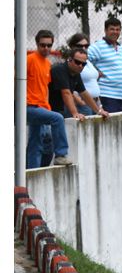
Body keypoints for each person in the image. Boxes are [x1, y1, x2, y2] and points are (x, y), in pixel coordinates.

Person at [25, 29, 73, 168]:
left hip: (41, 107)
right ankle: (61, 154)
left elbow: (44, 88)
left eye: (49, 45)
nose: (46, 48)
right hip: (29, 106)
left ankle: (32, 171)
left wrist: (46, 106)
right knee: (57, 118)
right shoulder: (29, 60)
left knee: (36, 142)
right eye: (42, 45)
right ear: (37, 44)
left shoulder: (47, 64)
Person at [48, 48, 110, 121]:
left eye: (83, 64)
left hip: (59, 110)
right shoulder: (60, 70)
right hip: (50, 110)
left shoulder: (76, 73)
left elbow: (84, 93)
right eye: (77, 62)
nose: (80, 65)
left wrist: (99, 111)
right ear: (70, 59)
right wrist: (75, 113)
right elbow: (66, 93)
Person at [87, 17, 122, 113]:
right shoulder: (98, 46)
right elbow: (83, 62)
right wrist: (95, 73)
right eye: (112, 29)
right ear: (105, 30)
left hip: (121, 96)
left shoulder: (121, 48)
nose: (115, 32)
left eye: (117, 29)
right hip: (106, 95)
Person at [65, 33, 101, 116]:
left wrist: (99, 104)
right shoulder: (71, 63)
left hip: (95, 103)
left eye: (86, 46)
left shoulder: (88, 62)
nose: (84, 48)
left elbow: (93, 82)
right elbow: (67, 86)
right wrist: (79, 101)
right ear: (72, 47)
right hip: (82, 104)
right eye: (80, 46)